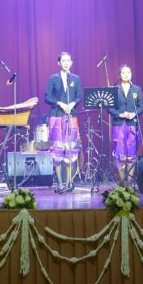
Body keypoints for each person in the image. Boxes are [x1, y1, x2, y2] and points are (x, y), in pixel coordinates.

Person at [44, 52, 83, 193]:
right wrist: (59, 103)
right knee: (57, 150)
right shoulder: (53, 78)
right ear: (58, 63)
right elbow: (47, 97)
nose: (66, 63)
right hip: (56, 116)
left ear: (71, 62)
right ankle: (60, 182)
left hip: (71, 116)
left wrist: (72, 103)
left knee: (70, 149)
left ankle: (69, 181)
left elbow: (80, 96)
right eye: (63, 61)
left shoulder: (75, 78)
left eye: (68, 61)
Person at [107, 63, 143, 184]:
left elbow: (142, 106)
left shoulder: (136, 89)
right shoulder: (114, 89)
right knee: (119, 154)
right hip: (118, 124)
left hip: (132, 124)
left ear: (131, 74)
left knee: (131, 154)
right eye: (123, 73)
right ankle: (122, 182)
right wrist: (120, 114)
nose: (126, 75)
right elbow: (109, 108)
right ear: (119, 75)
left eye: (128, 72)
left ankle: (129, 182)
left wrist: (134, 114)